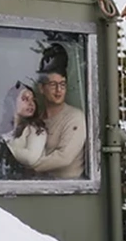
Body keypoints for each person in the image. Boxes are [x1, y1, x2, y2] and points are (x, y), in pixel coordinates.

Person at [32, 49, 86, 180]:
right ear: (41, 88)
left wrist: (31, 166)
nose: (59, 90)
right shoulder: (37, 121)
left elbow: (64, 157)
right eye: (53, 84)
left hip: (68, 191)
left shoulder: (75, 117)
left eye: (62, 84)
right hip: (40, 189)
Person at [1, 82, 47, 171]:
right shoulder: (7, 129)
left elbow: (30, 158)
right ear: (12, 103)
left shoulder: (36, 129)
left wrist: (7, 144)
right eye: (25, 99)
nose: (31, 103)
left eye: (33, 99)